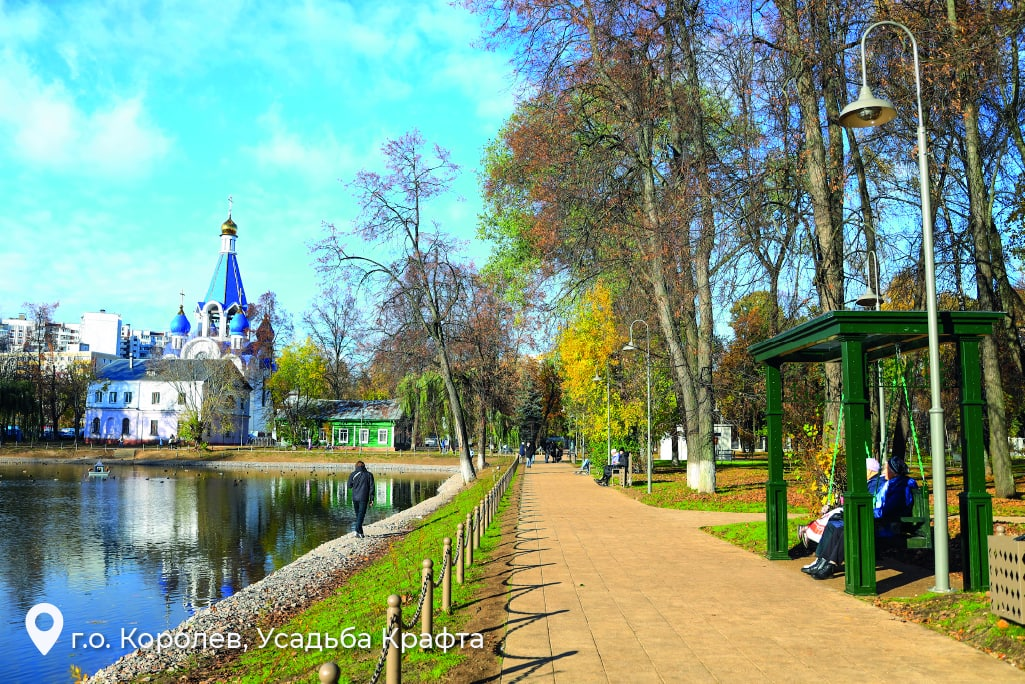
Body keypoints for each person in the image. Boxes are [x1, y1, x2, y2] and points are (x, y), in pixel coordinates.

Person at [804, 456, 917, 580]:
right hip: (881, 521)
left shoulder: (900, 487)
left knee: (847, 529)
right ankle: (825, 562)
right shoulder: (892, 484)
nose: (883, 471)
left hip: (889, 525)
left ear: (894, 472)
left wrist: (865, 513)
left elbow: (888, 510)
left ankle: (831, 565)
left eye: (886, 468)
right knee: (839, 527)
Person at [347, 460, 375, 538]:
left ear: (356, 466)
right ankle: (357, 530)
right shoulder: (369, 475)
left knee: (358, 515)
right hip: (364, 497)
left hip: (355, 497)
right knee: (361, 515)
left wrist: (354, 483)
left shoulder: (353, 474)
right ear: (364, 466)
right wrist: (371, 499)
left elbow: (349, 486)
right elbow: (372, 488)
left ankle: (361, 533)